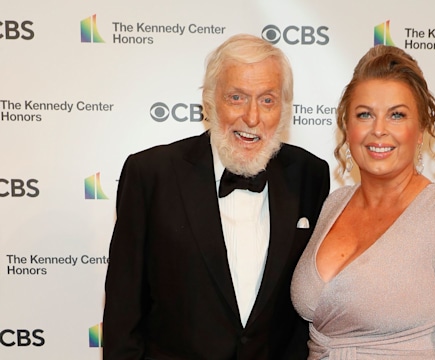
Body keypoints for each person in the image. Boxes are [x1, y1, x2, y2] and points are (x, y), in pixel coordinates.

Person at [103, 34, 330, 360]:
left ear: (284, 108)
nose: (252, 117)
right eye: (236, 98)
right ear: (209, 101)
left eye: (267, 100)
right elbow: (123, 311)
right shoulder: (151, 174)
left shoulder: (309, 174)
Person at [291, 45, 435, 359]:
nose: (379, 130)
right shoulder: (333, 204)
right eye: (365, 114)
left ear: (420, 130)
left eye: (397, 115)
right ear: (347, 127)